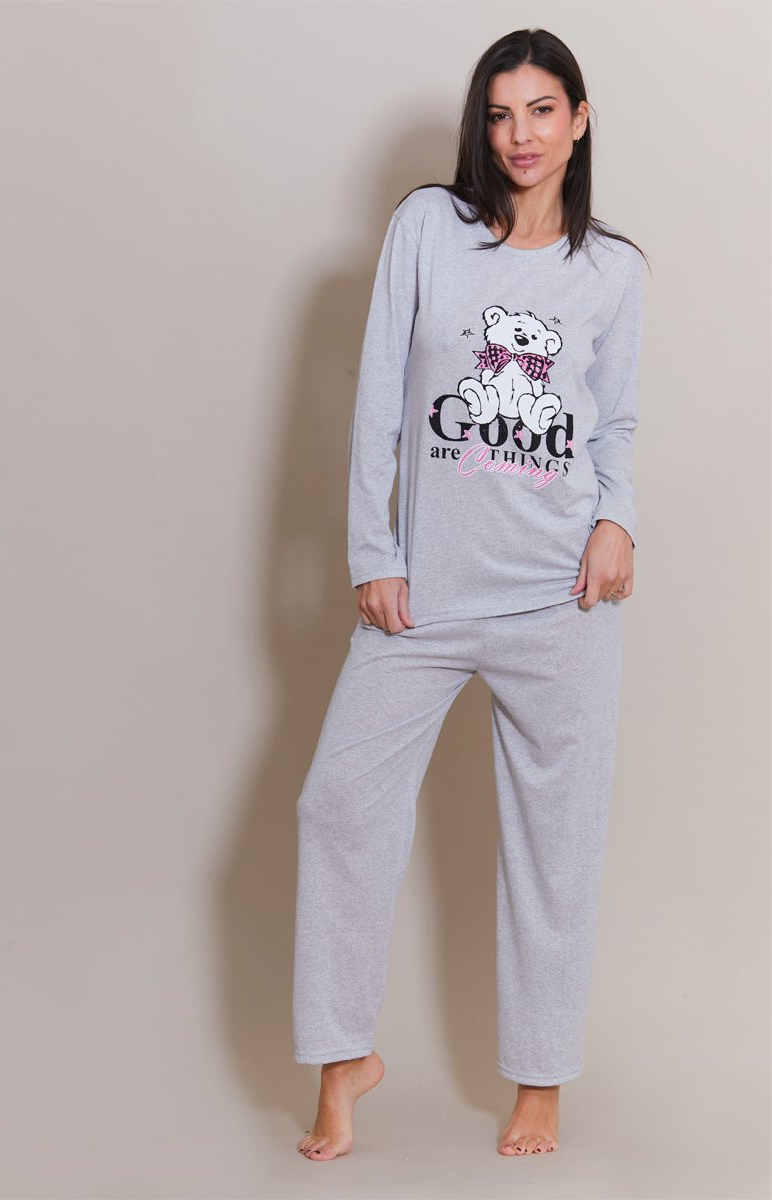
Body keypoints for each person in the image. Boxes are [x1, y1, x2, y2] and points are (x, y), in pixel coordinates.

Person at [293, 26, 648, 1161]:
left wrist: (616, 520)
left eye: (541, 111)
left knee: (554, 848)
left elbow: (616, 423)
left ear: (578, 120)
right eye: (500, 114)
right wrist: (373, 554)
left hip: (560, 601)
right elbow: (376, 403)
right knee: (337, 805)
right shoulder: (427, 230)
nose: (519, 136)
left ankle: (539, 1082)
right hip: (427, 595)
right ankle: (343, 1056)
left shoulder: (613, 271)